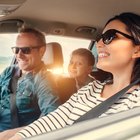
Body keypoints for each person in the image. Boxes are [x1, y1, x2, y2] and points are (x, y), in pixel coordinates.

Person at [7, 12, 140, 140]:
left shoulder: (135, 101)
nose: (99, 44)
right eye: (100, 38)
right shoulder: (91, 89)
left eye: (109, 37)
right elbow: (54, 120)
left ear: (137, 50)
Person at [0, 28, 60, 132]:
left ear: (41, 51)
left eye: (26, 50)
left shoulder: (44, 79)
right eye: (16, 50)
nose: (19, 55)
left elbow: (52, 117)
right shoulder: (9, 71)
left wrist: (12, 135)